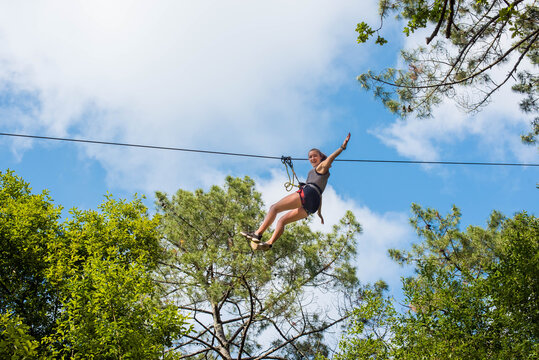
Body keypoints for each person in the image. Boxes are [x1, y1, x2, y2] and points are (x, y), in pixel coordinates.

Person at [241, 133, 351, 251]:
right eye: (310, 157)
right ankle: (269, 242)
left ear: (321, 157)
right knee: (282, 221)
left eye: (315, 156)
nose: (312, 159)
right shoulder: (319, 175)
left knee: (274, 208)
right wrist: (319, 213)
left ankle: (258, 233)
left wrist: (342, 147)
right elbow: (319, 195)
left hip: (308, 193)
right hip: (313, 205)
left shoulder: (322, 167)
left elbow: (330, 158)